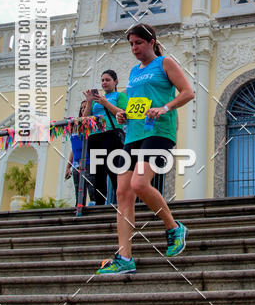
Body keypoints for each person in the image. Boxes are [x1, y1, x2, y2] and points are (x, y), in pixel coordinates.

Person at [96, 23, 194, 275]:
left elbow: (188, 92)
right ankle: (125, 258)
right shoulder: (133, 71)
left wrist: (165, 108)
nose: (134, 48)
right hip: (134, 134)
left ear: (151, 42)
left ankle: (173, 228)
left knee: (139, 184)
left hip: (159, 133)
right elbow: (136, 104)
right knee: (122, 194)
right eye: (131, 44)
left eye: (138, 43)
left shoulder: (165, 63)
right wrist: (124, 115)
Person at [83, 70, 128, 206]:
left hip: (111, 134)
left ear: (115, 81)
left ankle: (122, 202)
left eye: (107, 80)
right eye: (102, 80)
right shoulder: (96, 101)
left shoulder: (119, 96)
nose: (104, 83)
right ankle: (99, 203)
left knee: (114, 169)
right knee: (97, 173)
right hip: (95, 136)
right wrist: (90, 102)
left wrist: (106, 103)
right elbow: (84, 120)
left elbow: (123, 114)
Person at [65, 100, 96, 206]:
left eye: (86, 107)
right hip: (76, 164)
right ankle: (79, 210)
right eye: (82, 108)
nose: (83, 109)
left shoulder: (91, 126)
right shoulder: (74, 127)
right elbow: (73, 150)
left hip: (89, 162)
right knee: (78, 191)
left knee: (92, 190)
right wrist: (68, 166)